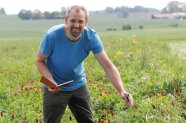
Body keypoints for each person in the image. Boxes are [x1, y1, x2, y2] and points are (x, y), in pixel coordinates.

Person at [35, 5, 132, 123]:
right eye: (72, 21)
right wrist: (50, 82)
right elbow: (39, 60)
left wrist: (121, 90)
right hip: (55, 87)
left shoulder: (91, 37)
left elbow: (108, 66)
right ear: (66, 20)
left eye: (80, 21)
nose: (76, 25)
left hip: (78, 84)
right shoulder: (52, 36)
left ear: (86, 22)